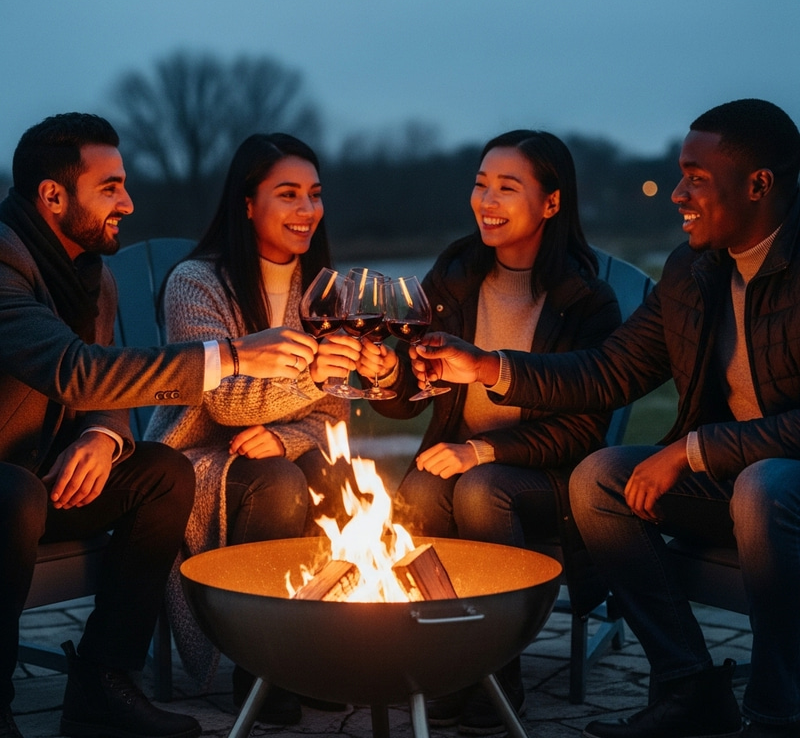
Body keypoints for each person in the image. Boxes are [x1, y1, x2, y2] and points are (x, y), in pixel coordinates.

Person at [415, 99, 800, 738]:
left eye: (696, 177)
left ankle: (774, 711)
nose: (677, 192)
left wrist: (691, 450)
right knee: (598, 480)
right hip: (732, 477)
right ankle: (690, 687)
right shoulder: (693, 271)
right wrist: (487, 367)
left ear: (759, 184)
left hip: (774, 484)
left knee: (765, 486)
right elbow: (606, 373)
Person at [0, 114, 320, 738]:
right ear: (52, 196)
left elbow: (108, 385)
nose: (129, 201)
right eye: (111, 187)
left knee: (163, 474)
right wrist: (230, 355)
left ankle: (102, 683)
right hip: (8, 490)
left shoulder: (92, 274)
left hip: (44, 482)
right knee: (14, 494)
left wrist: (103, 436)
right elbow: (72, 368)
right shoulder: (4, 262)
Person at [360, 130, 621, 734]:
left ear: (551, 204)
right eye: (480, 184)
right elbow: (411, 396)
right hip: (457, 456)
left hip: (548, 477)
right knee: (422, 490)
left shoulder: (586, 301)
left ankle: (499, 679)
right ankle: (447, 667)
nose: (487, 200)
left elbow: (585, 429)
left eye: (508, 187)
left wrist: (483, 449)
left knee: (481, 491)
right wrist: (388, 375)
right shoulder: (453, 276)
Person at [144, 133, 358, 724]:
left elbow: (334, 417)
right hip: (196, 459)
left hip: (277, 455)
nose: (307, 210)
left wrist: (288, 437)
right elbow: (224, 404)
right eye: (287, 194)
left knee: (332, 473)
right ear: (247, 203)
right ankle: (259, 666)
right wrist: (316, 377)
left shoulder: (326, 291)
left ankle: (314, 650)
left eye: (314, 194)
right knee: (283, 485)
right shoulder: (197, 284)